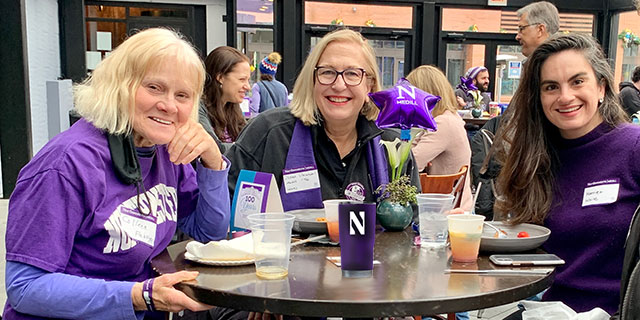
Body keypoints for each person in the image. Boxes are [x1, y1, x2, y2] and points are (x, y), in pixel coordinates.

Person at [3, 28, 231, 319]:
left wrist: (213, 161)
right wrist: (138, 296)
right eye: (154, 88)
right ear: (118, 86)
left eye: (183, 95)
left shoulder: (164, 150)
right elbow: (26, 287)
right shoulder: (66, 164)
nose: (169, 105)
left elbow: (208, 233)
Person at [495, 32, 636, 315]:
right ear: (539, 97)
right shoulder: (537, 158)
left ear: (602, 88)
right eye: (551, 87)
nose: (565, 96)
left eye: (577, 81)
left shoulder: (634, 146)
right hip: (552, 309)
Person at [226, 28, 420, 211]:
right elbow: (229, 213)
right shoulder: (269, 134)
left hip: (374, 248)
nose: (339, 85)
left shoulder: (393, 147)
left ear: (369, 85)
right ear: (312, 80)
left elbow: (412, 227)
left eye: (352, 73)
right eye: (327, 72)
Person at [469, 0, 560, 218]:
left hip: (539, 174)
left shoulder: (548, 63)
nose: (517, 36)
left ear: (540, 29)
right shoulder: (536, 63)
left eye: (521, 29)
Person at [406, 65, 473, 211]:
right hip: (454, 206)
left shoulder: (443, 124)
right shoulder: (449, 117)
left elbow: (410, 164)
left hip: (449, 213)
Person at [202, 46, 251, 143]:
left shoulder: (233, 109)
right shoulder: (199, 109)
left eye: (248, 80)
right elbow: (214, 148)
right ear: (220, 77)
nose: (248, 87)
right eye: (242, 79)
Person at [250, 52, 289, 117]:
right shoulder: (283, 87)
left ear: (261, 71)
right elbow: (286, 110)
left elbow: (255, 109)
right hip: (278, 124)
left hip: (264, 124)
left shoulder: (257, 87)